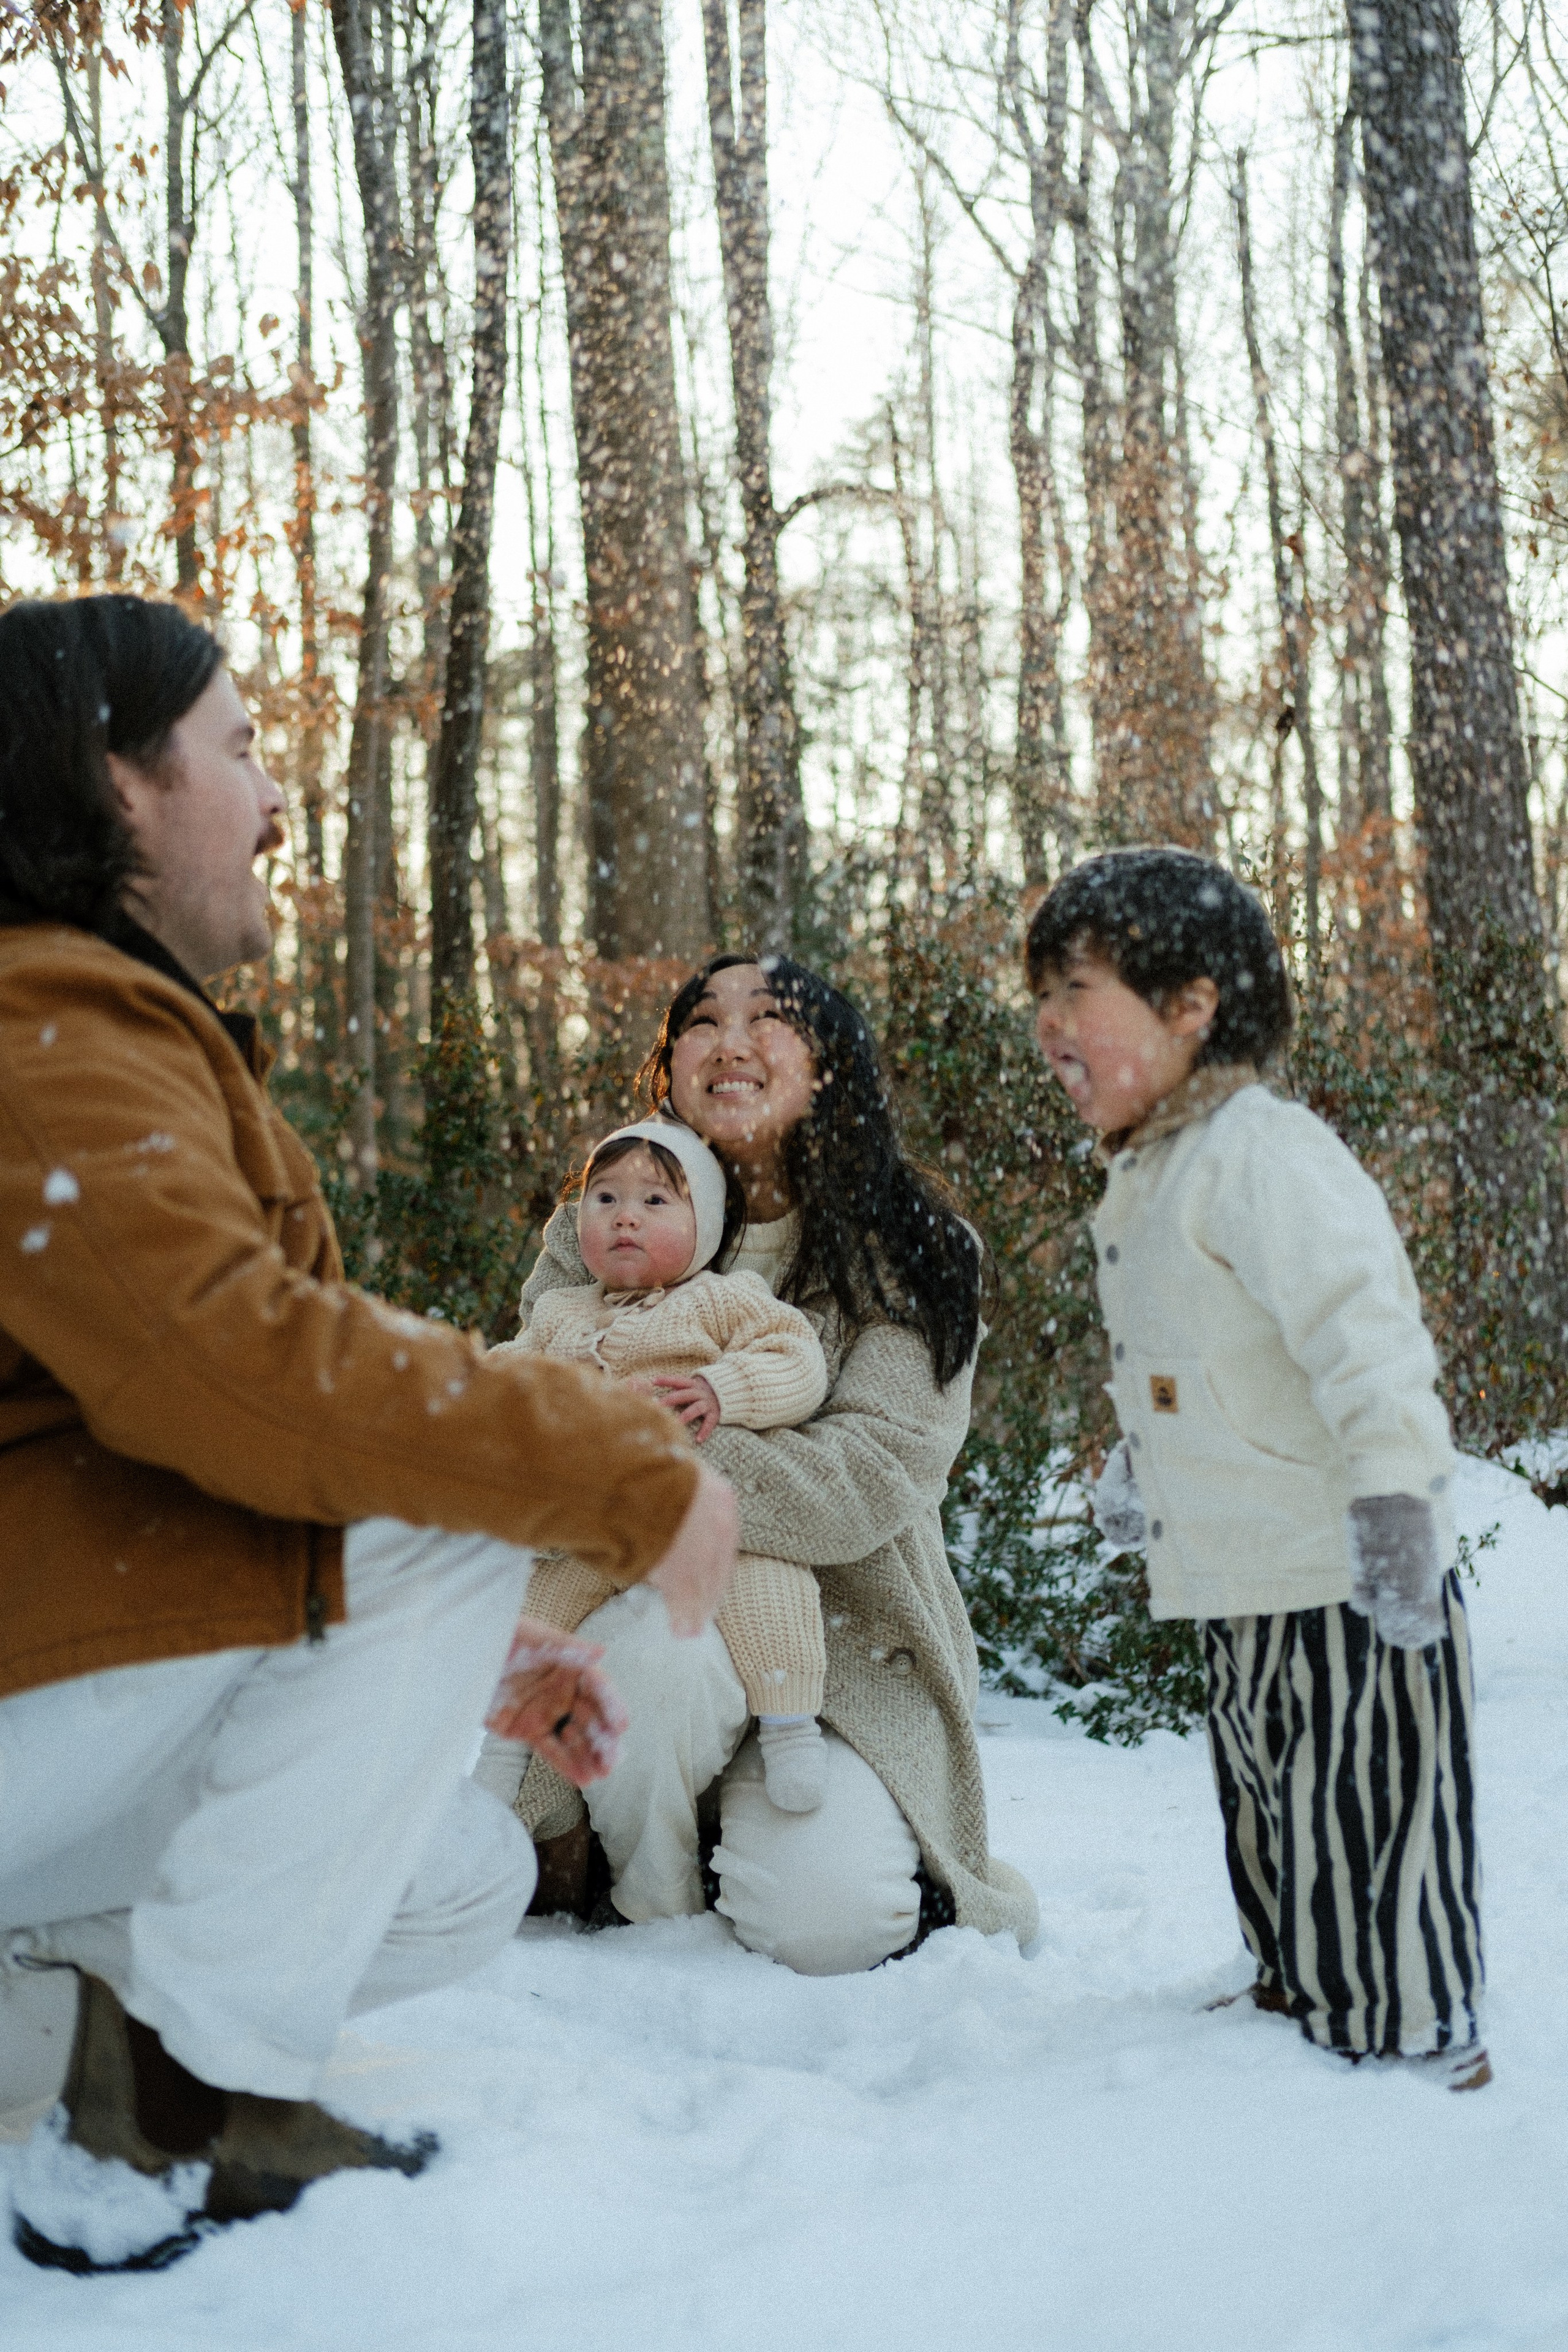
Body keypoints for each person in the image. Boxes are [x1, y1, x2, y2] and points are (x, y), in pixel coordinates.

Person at [0, 595, 738, 2271]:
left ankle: (134, 2066)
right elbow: (240, 1375)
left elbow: (125, 1437)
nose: (274, 802)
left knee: (458, 1873)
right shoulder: (40, 1028)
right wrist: (602, 1467)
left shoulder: (80, 1023)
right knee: (441, 1505)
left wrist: (441, 1652)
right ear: (117, 786)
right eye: (240, 750)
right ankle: (171, 2129)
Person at [1027, 845, 1487, 2087]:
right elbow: (1190, 1351)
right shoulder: (1150, 1168)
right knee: (1270, 1799)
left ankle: (1406, 2024)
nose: (1049, 1025)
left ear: (1190, 1008)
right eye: (1043, 997)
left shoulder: (1260, 1152)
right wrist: (1140, 1461)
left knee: (1364, 1804)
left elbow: (1364, 1337)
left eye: (1079, 991)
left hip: (1339, 1569)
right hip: (1232, 1573)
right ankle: (1295, 1982)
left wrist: (1398, 1505)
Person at [508, 952, 1040, 1971]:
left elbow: (866, 1480)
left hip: (843, 1636)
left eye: (771, 1019)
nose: (732, 1041)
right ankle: (652, 1852)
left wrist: (644, 1450)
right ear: (669, 1069)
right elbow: (538, 1416)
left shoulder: (916, 1247)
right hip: (640, 1596)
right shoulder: (602, 1226)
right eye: (704, 1021)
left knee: (832, 1924)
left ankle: (803, 1831)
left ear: (830, 1066)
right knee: (651, 1659)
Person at [477, 1118, 835, 1812]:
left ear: (703, 1226)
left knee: (771, 1580)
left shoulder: (725, 1298)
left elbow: (797, 1361)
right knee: (533, 1604)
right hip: (596, 1529)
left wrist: (722, 1389)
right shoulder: (558, 1313)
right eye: (604, 1200)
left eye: (655, 1202)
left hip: (707, 1513)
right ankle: (502, 1750)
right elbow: (507, 1375)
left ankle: (790, 1724)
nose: (625, 1219)